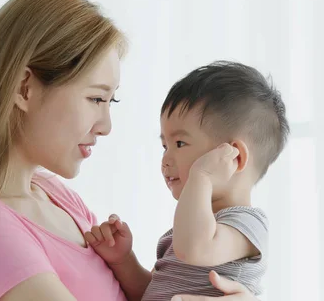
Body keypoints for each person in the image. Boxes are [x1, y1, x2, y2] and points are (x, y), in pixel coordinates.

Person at [0, 0, 257, 300]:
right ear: (24, 89)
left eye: (111, 102)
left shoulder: (58, 198)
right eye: (95, 99)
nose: (105, 126)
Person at [85, 61, 289, 300]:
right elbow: (152, 292)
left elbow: (195, 248)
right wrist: (123, 260)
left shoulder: (247, 224)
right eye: (164, 146)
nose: (165, 159)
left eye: (180, 143)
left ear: (234, 157)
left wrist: (201, 177)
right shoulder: (185, 231)